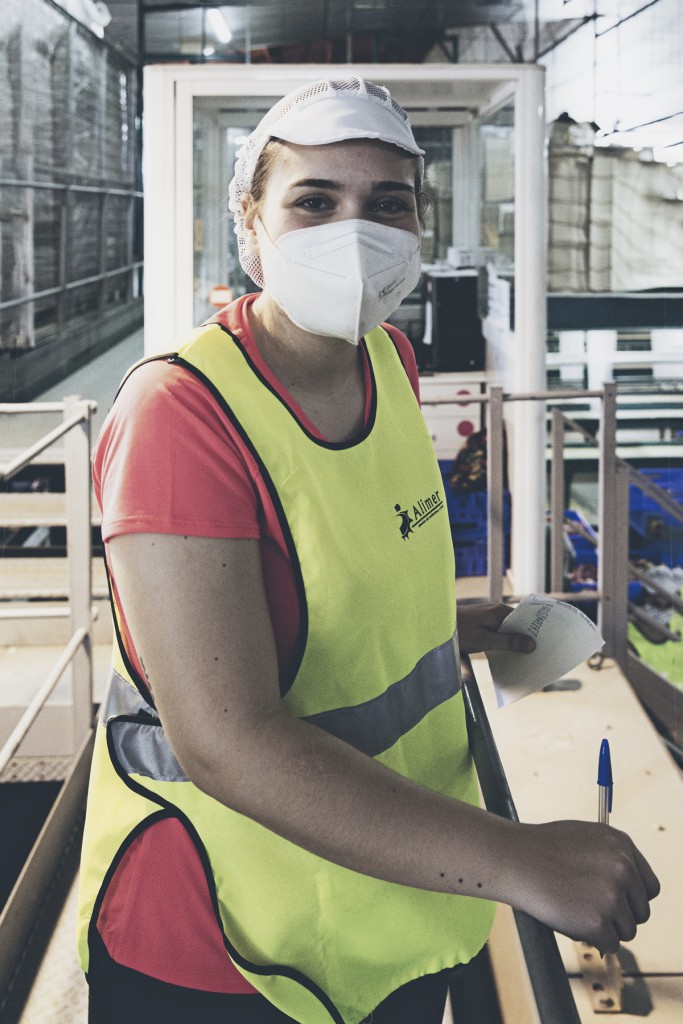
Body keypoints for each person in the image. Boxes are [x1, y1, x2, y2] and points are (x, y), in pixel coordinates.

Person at [78, 78, 660, 1024]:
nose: (355, 231)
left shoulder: (387, 360)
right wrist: (516, 858)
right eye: (314, 201)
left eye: (387, 204)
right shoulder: (180, 413)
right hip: (235, 943)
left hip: (394, 901)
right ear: (250, 222)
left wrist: (456, 626)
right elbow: (225, 742)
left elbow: (330, 578)